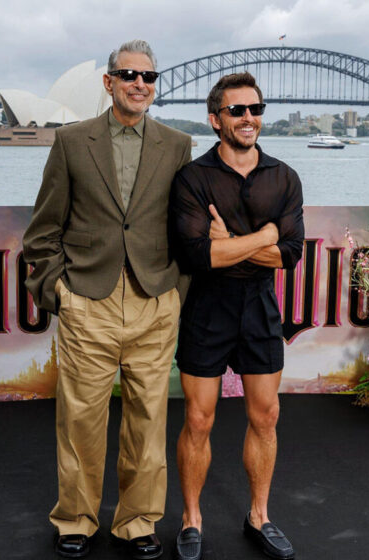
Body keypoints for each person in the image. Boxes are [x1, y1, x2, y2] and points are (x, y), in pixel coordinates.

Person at [23, 39, 192, 559]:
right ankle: (75, 519)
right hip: (87, 300)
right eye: (129, 75)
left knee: (148, 419)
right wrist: (59, 293)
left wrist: (175, 296)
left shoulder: (177, 143)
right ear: (109, 81)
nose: (140, 84)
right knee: (80, 419)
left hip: (153, 300)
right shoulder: (73, 142)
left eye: (149, 77)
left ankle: (138, 521)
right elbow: (43, 230)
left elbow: (186, 231)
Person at [170, 72, 304, 560]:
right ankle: (191, 520)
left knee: (265, 416)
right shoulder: (192, 178)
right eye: (237, 110)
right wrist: (261, 237)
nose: (249, 118)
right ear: (215, 120)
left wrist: (230, 243)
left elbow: (289, 254)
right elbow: (196, 257)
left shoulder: (284, 176)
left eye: (256, 108)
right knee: (199, 420)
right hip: (207, 307)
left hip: (260, 307)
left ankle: (259, 517)